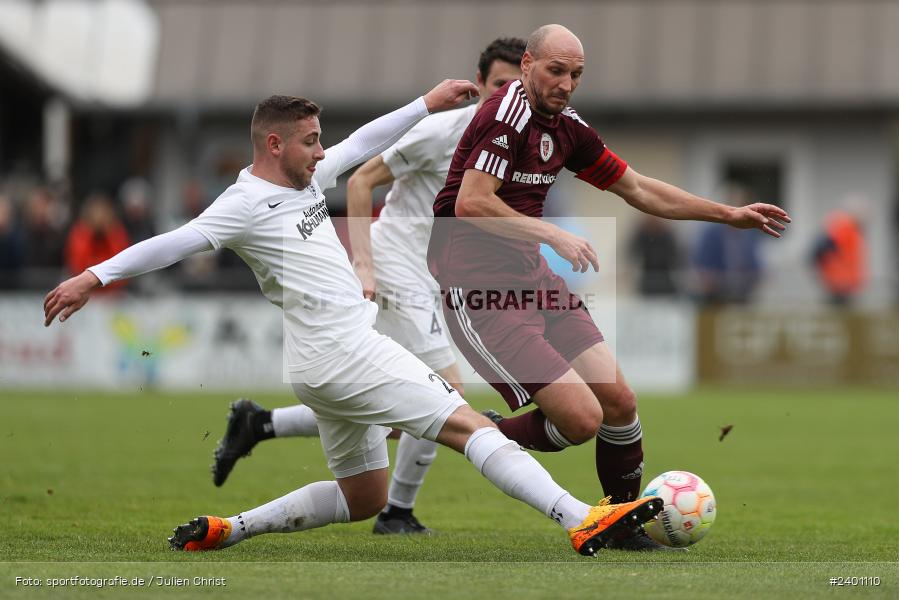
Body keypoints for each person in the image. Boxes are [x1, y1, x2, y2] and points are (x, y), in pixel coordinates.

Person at [43, 79, 664, 556]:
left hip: (320, 367)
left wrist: (426, 102)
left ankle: (228, 530)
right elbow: (175, 242)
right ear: (275, 143)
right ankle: (581, 518)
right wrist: (92, 277)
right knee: (467, 425)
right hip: (347, 354)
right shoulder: (243, 204)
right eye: (311, 141)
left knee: (364, 496)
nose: (322, 152)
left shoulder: (304, 181)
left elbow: (365, 142)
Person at [428, 24, 791, 551]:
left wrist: (726, 213)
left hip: (531, 275)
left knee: (618, 402)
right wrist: (551, 231)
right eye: (556, 70)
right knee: (580, 420)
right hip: (479, 288)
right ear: (527, 64)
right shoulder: (503, 117)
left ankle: (619, 524)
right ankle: (478, 433)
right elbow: (471, 203)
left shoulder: (567, 126)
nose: (566, 83)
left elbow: (638, 187)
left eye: (576, 74)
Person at [209, 37, 526, 536]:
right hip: (396, 263)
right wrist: (365, 263)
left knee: (389, 401)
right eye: (498, 85)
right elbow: (359, 180)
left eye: (516, 88)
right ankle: (396, 511)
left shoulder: (518, 140)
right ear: (479, 85)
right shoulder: (443, 132)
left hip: (435, 275)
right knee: (447, 397)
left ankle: (262, 424)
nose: (505, 95)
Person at [692, 183, 764, 305]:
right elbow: (702, 260)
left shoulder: (750, 232)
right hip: (716, 291)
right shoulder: (710, 232)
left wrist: (757, 276)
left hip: (743, 290)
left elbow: (754, 259)